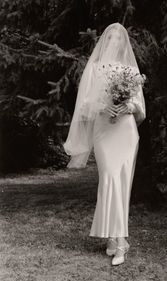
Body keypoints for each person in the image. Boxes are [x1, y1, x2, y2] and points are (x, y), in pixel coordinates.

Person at [63, 22, 146, 266]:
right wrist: (104, 106)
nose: (114, 41)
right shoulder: (95, 69)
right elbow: (85, 106)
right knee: (108, 179)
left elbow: (140, 109)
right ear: (104, 41)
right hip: (103, 130)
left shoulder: (131, 71)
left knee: (122, 184)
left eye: (119, 38)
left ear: (124, 43)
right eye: (110, 37)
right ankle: (115, 238)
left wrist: (126, 106)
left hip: (125, 131)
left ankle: (118, 241)